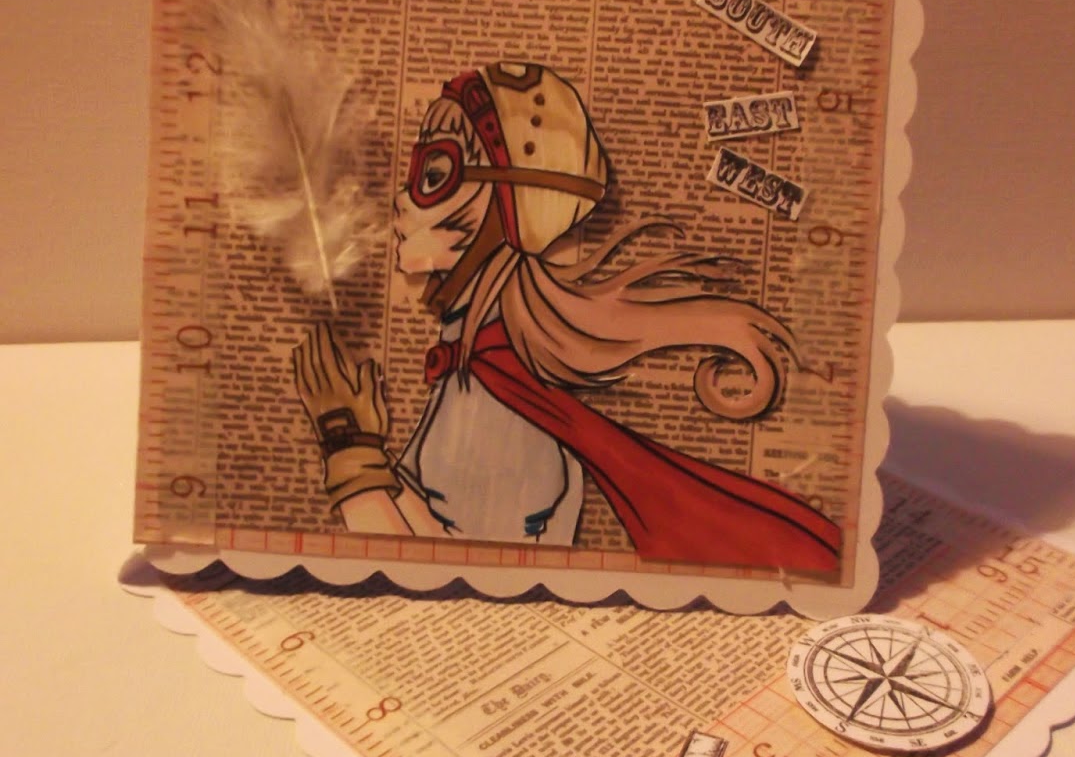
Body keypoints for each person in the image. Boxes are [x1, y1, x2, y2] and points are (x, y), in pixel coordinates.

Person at [293, 62, 839, 573]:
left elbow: (452, 572)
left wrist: (347, 448)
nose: (400, 196)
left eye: (433, 173)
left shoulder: (498, 405)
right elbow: (437, 526)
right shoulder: (483, 368)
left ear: (504, 206)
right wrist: (371, 451)